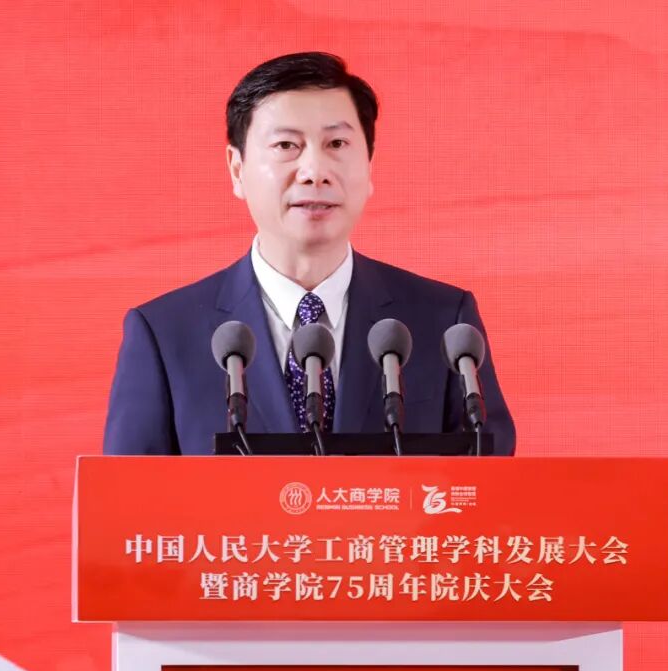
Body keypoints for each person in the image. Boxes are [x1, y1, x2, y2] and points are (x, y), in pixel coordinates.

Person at [103, 52, 515, 455]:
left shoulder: (444, 323)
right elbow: (127, 494)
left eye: (337, 143)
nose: (315, 171)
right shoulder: (164, 334)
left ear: (369, 165)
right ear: (237, 169)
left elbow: (492, 481)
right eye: (286, 145)